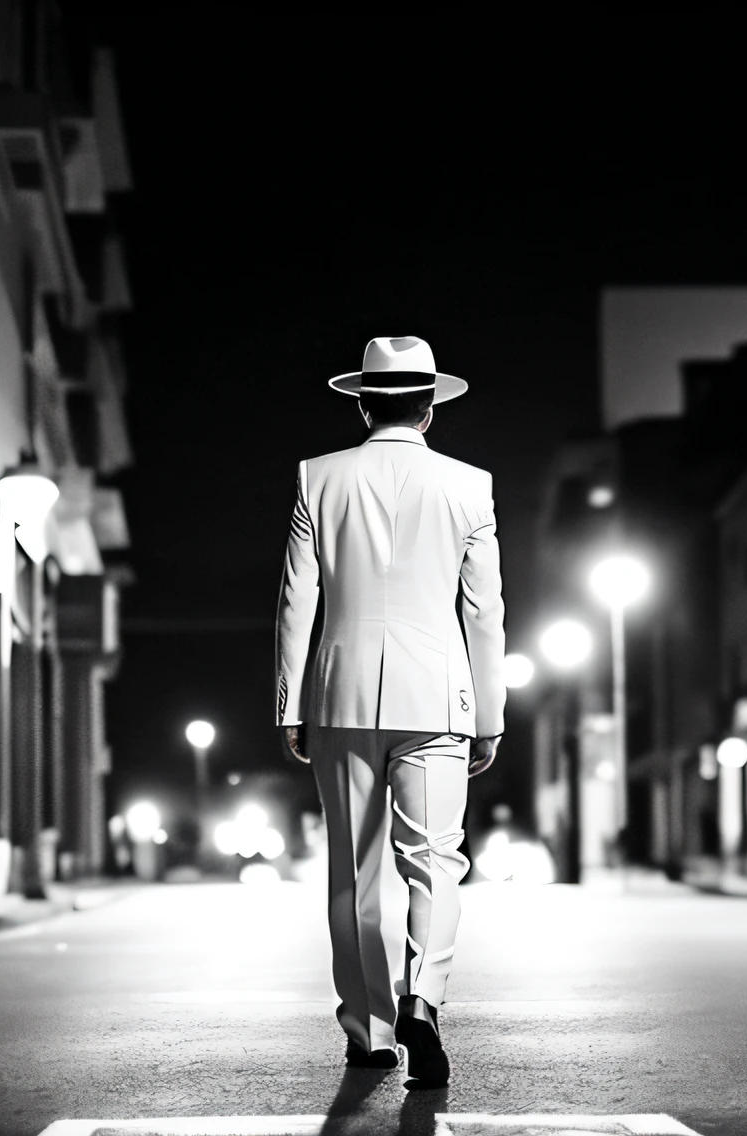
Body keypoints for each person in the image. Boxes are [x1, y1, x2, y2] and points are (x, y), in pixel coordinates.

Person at [274, 335, 505, 1088]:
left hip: (340, 694)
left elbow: (296, 599)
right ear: (431, 407)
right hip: (438, 696)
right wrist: (490, 712)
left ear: (364, 402)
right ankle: (425, 1003)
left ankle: (370, 1032)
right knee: (435, 862)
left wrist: (290, 702)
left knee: (355, 870)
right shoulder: (471, 486)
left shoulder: (319, 477)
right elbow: (485, 612)